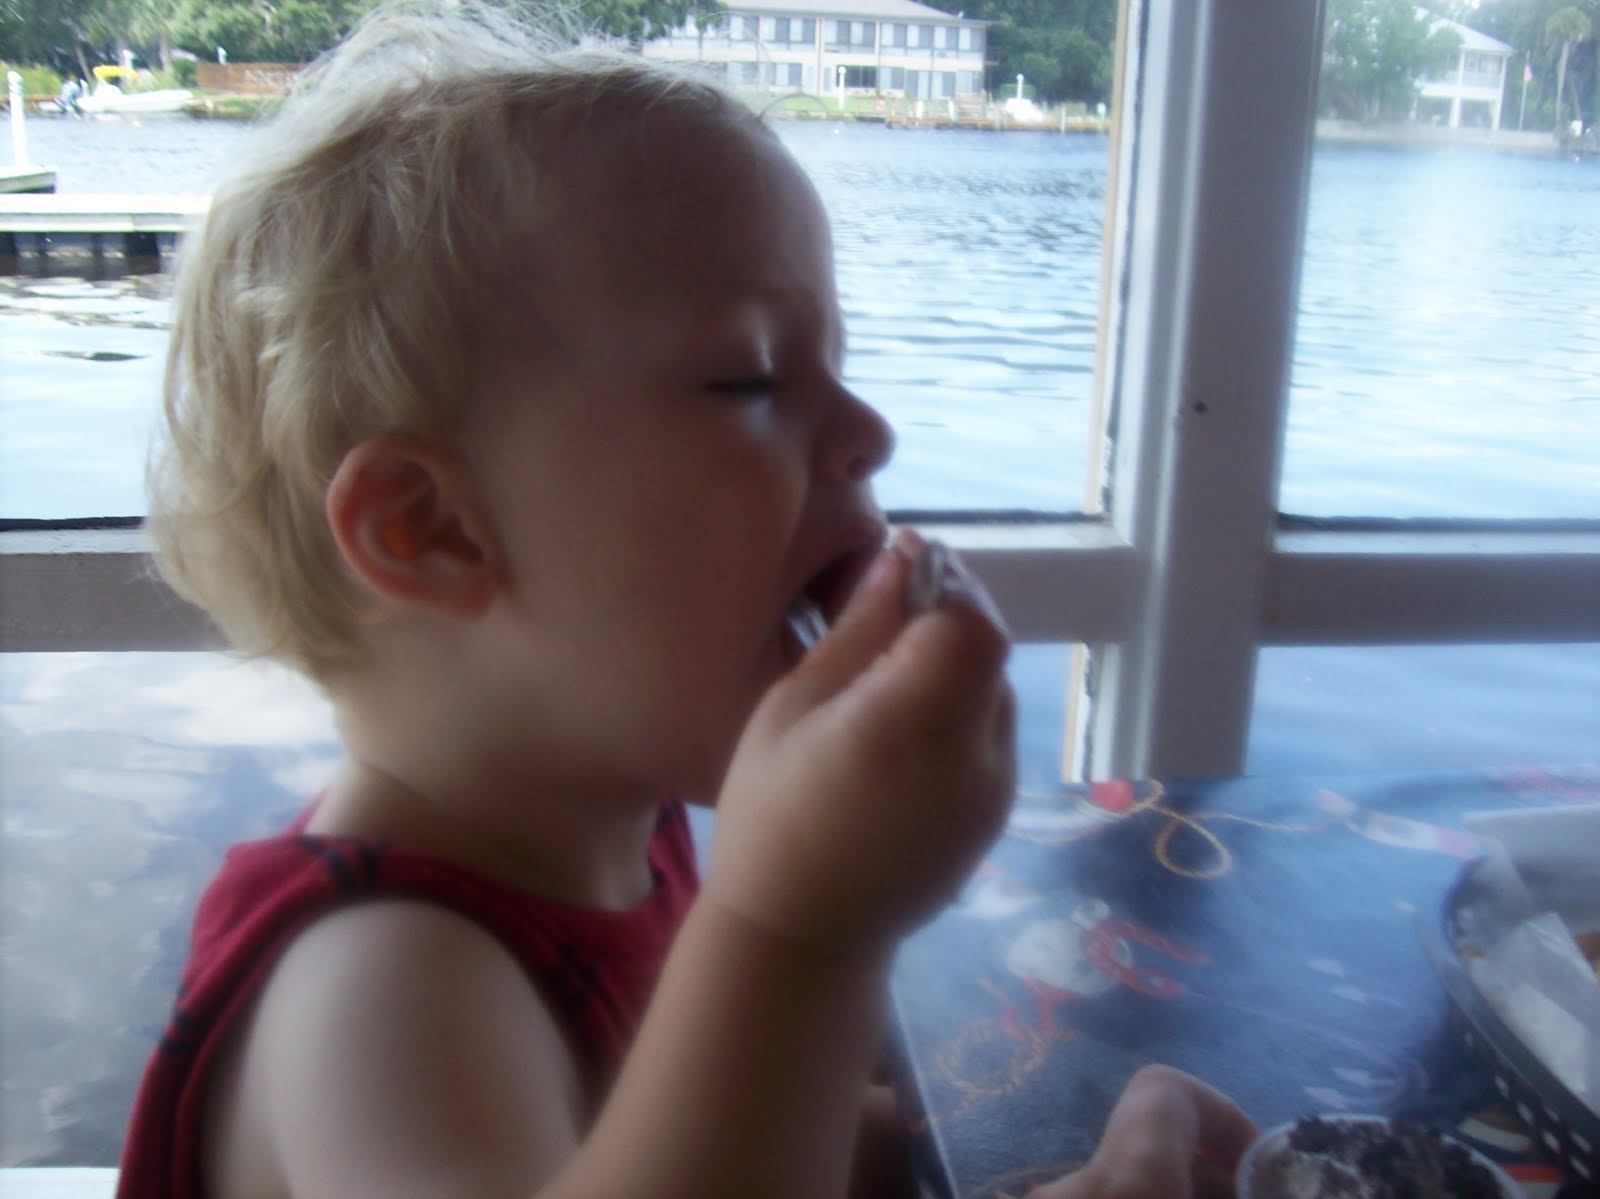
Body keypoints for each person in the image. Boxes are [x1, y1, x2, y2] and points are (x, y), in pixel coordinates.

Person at [117, 5, 1256, 1197]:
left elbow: (759, 1142)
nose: (869, 432)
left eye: (835, 367)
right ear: (433, 530)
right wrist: (798, 931)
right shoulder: (378, 984)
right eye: (749, 377)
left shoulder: (619, 828)